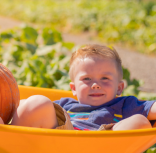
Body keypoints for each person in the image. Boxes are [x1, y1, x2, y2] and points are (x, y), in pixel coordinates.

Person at [10, 44, 156, 130]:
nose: (95, 85)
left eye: (105, 78)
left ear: (119, 88)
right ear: (73, 88)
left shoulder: (124, 105)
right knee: (36, 104)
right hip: (64, 140)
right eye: (86, 79)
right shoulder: (65, 105)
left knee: (139, 121)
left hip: (103, 143)